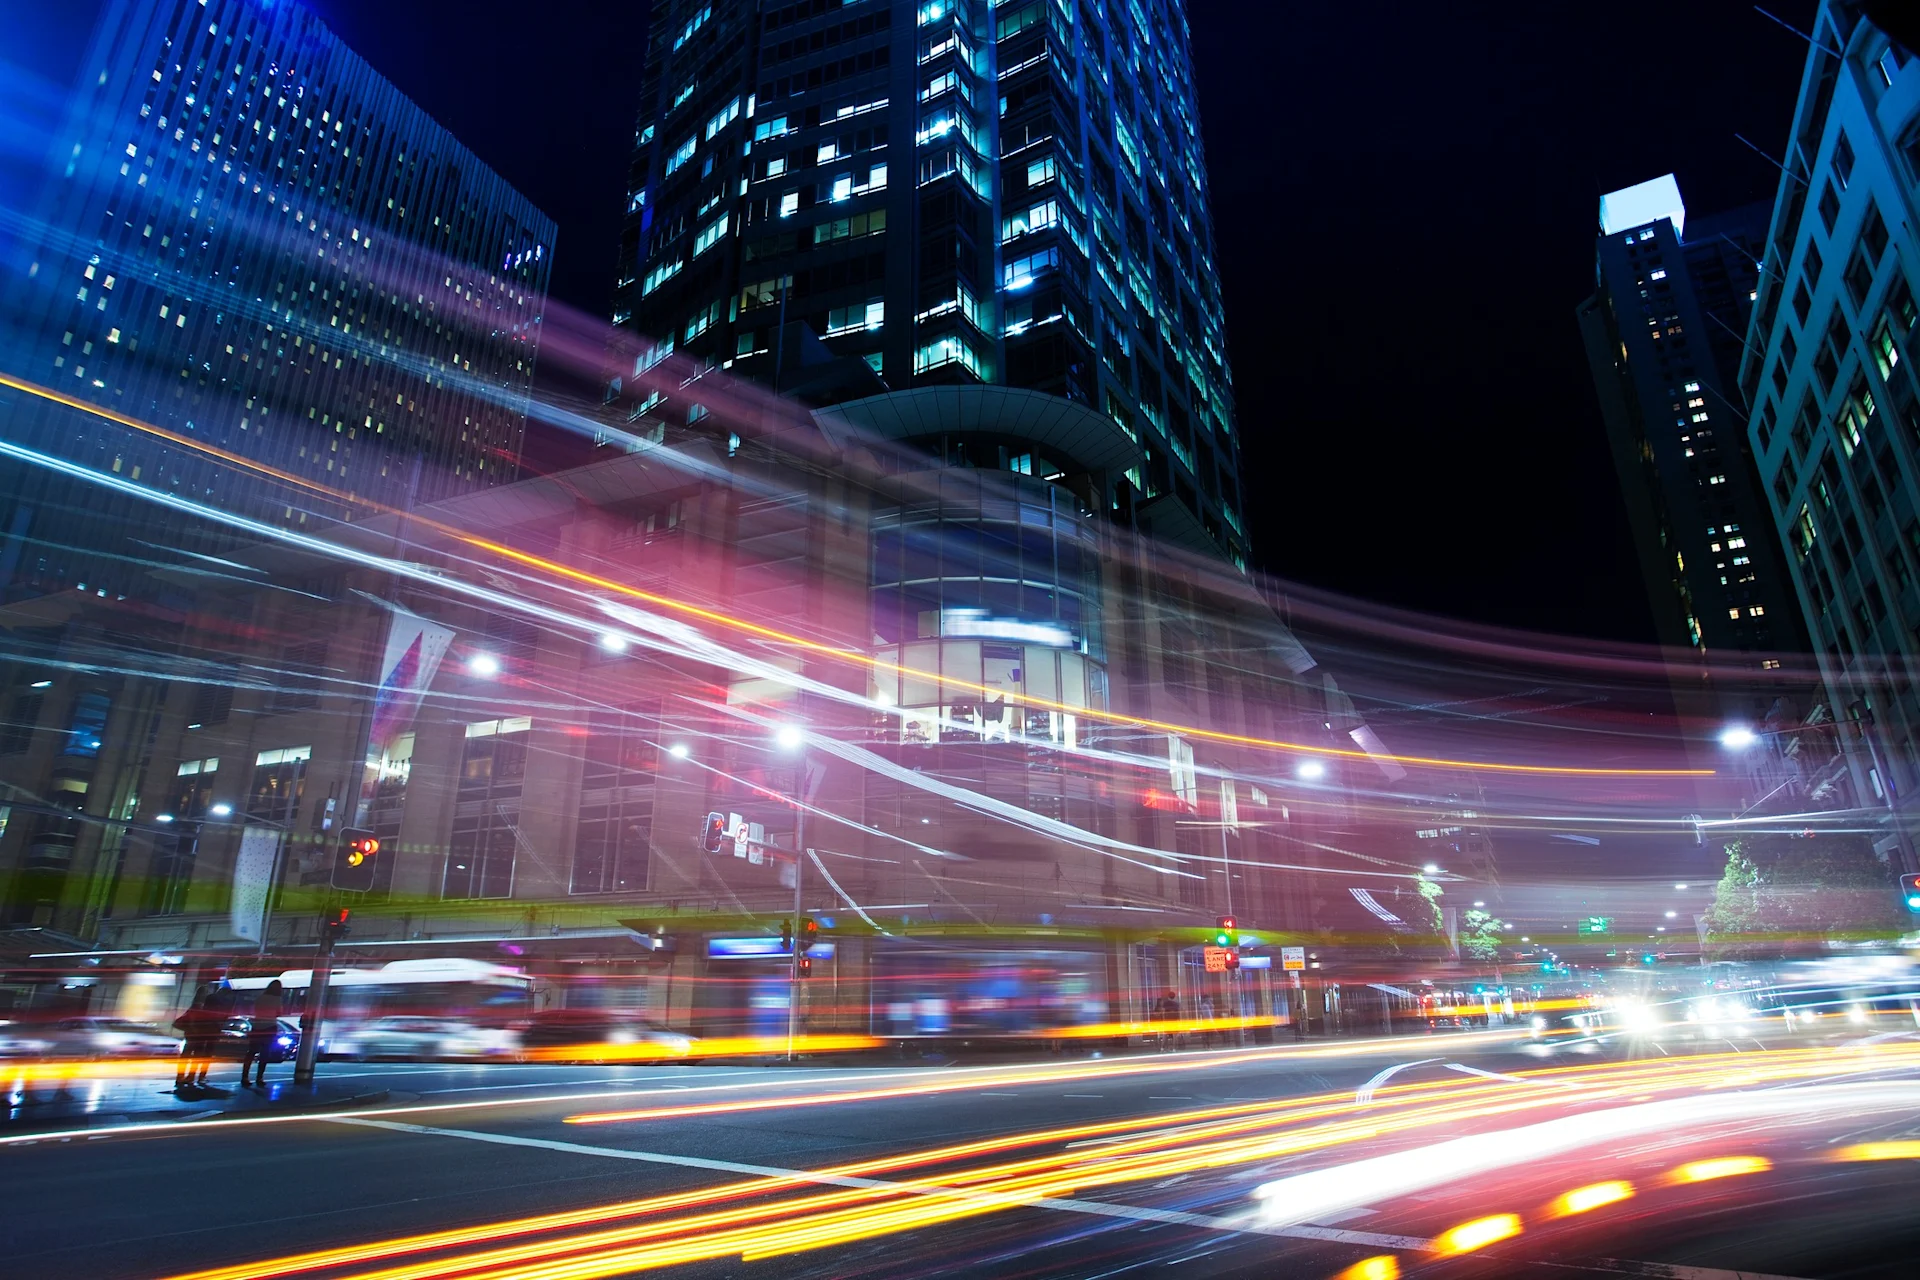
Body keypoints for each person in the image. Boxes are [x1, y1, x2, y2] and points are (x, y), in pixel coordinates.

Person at [173, 982, 225, 1095]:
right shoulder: (202, 1008)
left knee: (185, 1056)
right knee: (196, 1056)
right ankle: (190, 1077)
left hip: (191, 1035)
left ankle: (181, 1077)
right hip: (199, 1035)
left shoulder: (194, 1006)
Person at [240, 979, 283, 1088]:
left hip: (257, 1026)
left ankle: (244, 1076)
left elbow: (254, 1010)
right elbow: (279, 1013)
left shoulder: (260, 997)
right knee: (265, 1053)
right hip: (270, 1027)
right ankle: (259, 1077)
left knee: (251, 1052)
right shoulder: (277, 999)